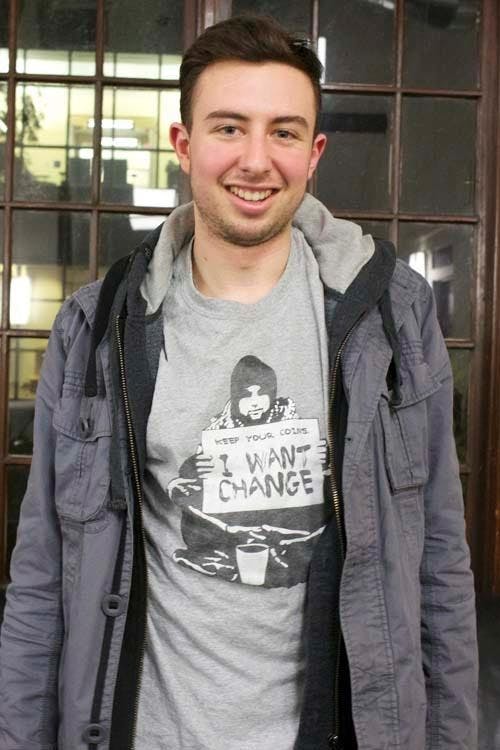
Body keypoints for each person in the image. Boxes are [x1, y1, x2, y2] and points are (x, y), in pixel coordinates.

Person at [0, 14, 478, 750]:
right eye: (229, 128)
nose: (256, 160)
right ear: (183, 145)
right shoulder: (96, 329)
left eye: (283, 132)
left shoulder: (392, 317)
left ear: (313, 153)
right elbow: (41, 579)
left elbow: (440, 566)